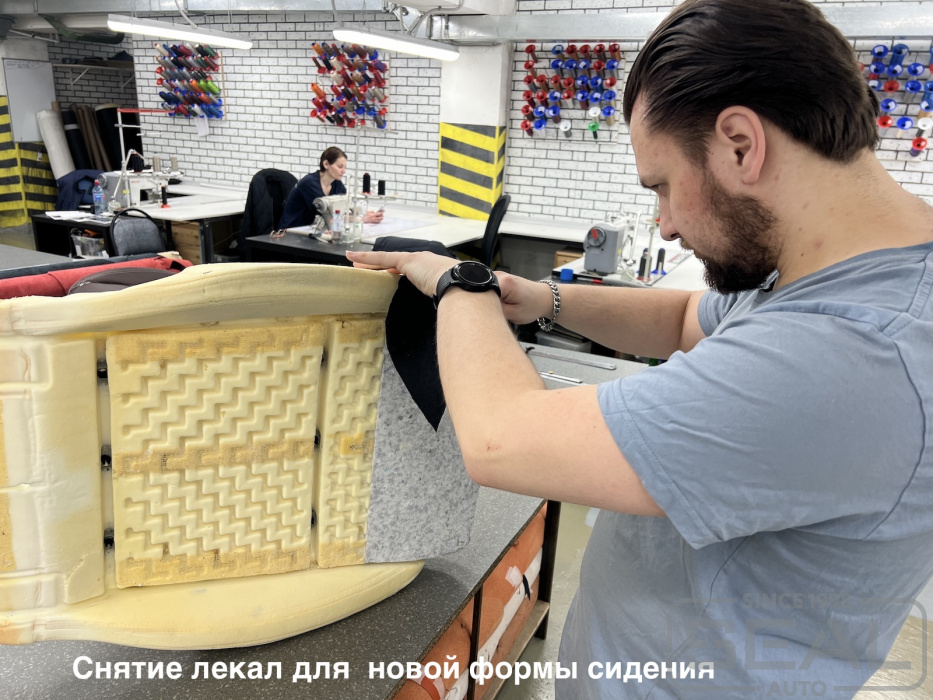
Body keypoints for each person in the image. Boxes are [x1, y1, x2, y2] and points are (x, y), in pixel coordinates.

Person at [349, 0, 933, 697]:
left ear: (740, 145)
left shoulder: (854, 354)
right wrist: (542, 298)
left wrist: (460, 284)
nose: (666, 224)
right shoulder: (835, 270)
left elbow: (500, 439)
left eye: (663, 186)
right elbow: (687, 317)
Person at [278, 146, 384, 229]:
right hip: (291, 232)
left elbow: (345, 208)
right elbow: (329, 215)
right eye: (340, 167)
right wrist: (362, 218)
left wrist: (362, 213)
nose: (344, 171)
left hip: (310, 229)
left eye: (345, 167)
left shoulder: (337, 184)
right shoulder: (309, 183)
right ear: (326, 164)